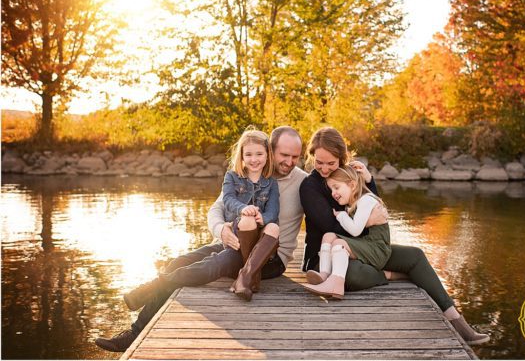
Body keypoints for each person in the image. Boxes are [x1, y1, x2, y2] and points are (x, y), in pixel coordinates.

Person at [94, 127, 306, 353]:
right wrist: (220, 230)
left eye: (296, 156)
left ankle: (144, 309)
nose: (290, 162)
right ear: (271, 150)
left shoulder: (304, 183)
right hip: (233, 241)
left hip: (270, 257)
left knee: (210, 265)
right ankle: (136, 329)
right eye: (285, 155)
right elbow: (217, 208)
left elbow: (332, 192)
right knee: (178, 262)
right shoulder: (246, 173)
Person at [300, 126, 490, 346]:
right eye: (319, 162)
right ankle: (393, 275)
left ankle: (460, 324)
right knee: (349, 273)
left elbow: (374, 208)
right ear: (312, 156)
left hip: (363, 246)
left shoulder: (350, 176)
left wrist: (369, 180)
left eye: (331, 163)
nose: (324, 168)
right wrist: (368, 222)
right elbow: (330, 225)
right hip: (326, 257)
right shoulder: (309, 186)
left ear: (342, 158)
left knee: (415, 256)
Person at [301, 164, 392, 299]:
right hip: (366, 244)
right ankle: (324, 275)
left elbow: (355, 230)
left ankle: (336, 284)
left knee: (339, 243)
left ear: (352, 185)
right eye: (331, 189)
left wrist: (341, 216)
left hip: (378, 249)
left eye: (336, 187)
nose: (333, 193)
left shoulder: (366, 200)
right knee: (328, 236)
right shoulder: (352, 204)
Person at [220, 127, 281, 300]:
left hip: (261, 234)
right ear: (241, 156)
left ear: (267, 155)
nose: (254, 159)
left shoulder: (271, 183)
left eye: (259, 154)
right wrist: (242, 208)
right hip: (240, 233)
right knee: (247, 220)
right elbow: (228, 200)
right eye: (248, 155)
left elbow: (274, 210)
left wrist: (265, 218)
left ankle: (244, 277)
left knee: (274, 227)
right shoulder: (232, 176)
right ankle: (251, 279)